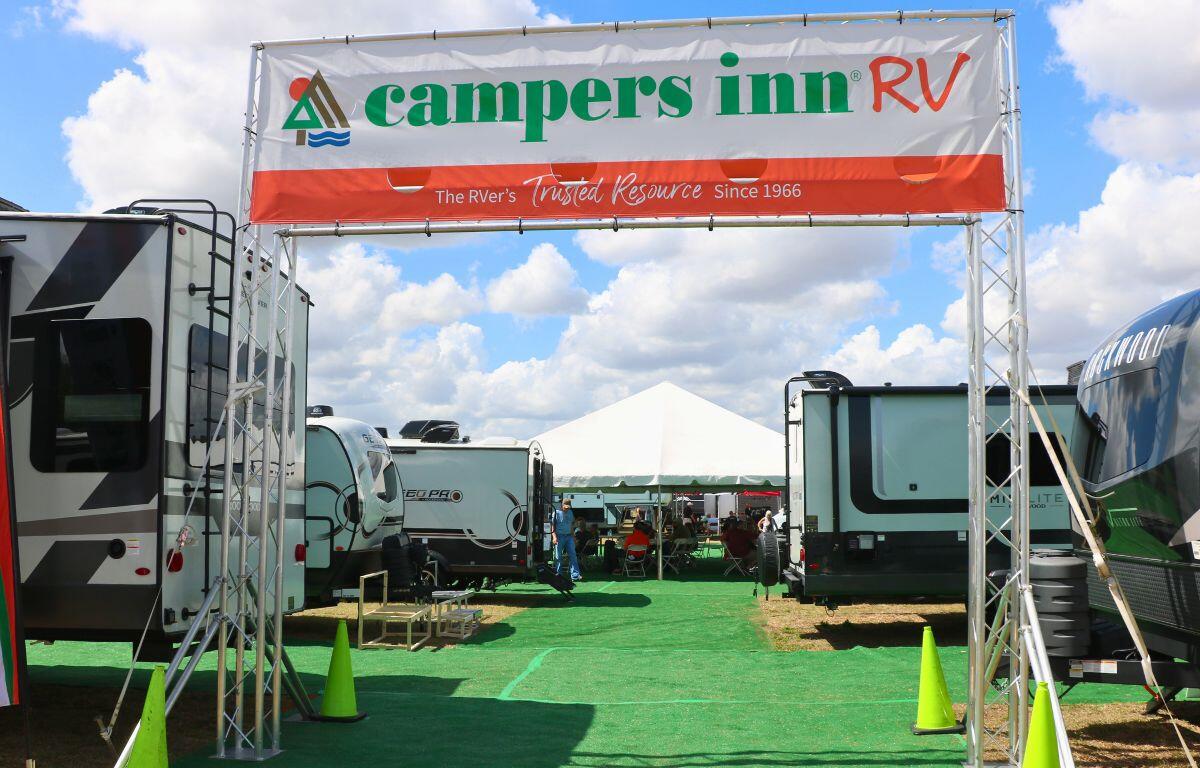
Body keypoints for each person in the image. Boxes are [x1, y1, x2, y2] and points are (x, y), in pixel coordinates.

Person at [552, 498, 581, 582]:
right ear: (562, 505)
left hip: (569, 537)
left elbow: (571, 525)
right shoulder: (556, 513)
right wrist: (554, 537)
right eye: (566, 507)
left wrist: (574, 537)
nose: (567, 509)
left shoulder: (570, 512)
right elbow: (553, 526)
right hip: (559, 536)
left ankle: (575, 575)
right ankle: (558, 575)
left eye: (568, 507)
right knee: (558, 557)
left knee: (573, 555)